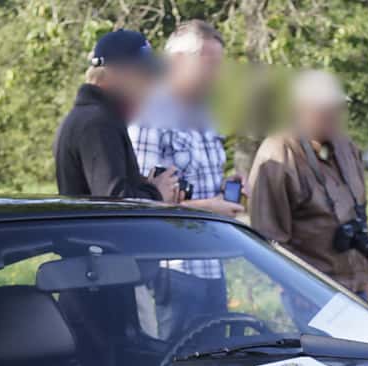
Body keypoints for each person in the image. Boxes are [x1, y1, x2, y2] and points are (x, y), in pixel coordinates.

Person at [129, 19, 245, 333]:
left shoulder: (205, 113)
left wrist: (225, 189)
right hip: (173, 267)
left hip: (211, 261)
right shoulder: (149, 113)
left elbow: (198, 183)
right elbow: (137, 203)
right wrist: (210, 207)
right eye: (209, 65)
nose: (216, 75)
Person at [247, 70, 368, 298]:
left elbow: (360, 214)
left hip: (357, 289)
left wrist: (366, 275)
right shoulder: (279, 153)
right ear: (299, 109)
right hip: (311, 293)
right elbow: (268, 236)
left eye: (339, 108)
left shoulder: (346, 147)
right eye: (325, 109)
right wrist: (296, 289)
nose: (335, 115)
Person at [54, 29, 184, 203]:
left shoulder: (91, 116)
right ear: (118, 72)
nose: (152, 84)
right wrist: (157, 193)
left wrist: (146, 186)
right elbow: (114, 202)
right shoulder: (98, 123)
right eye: (145, 74)